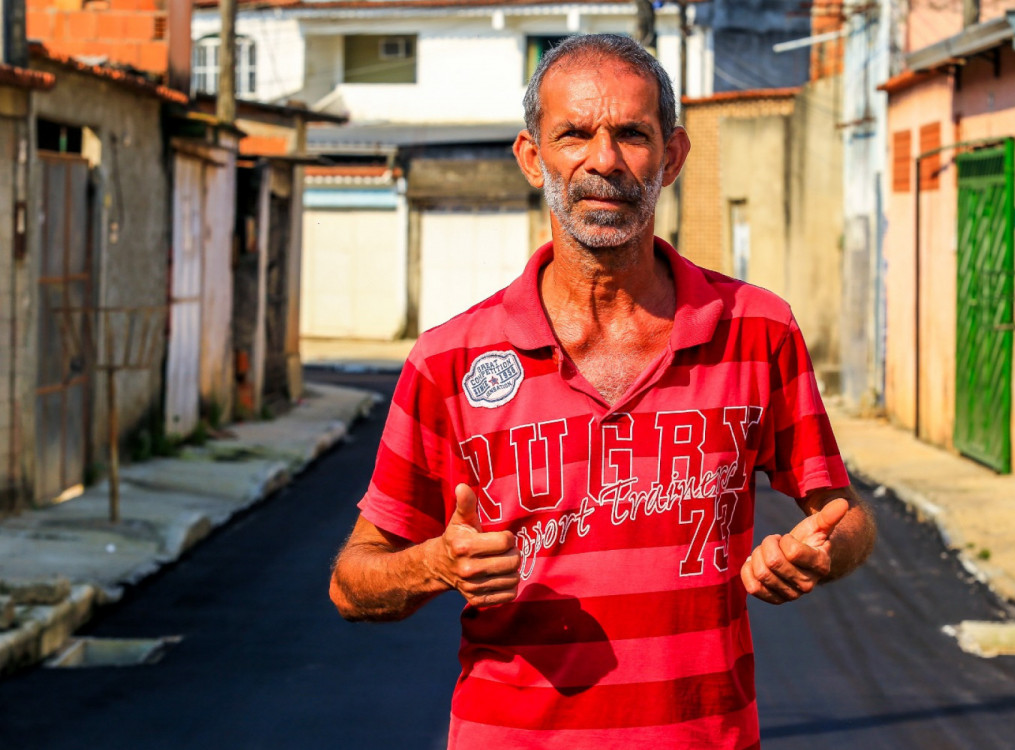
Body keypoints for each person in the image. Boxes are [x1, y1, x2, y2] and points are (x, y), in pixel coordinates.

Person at [330, 33, 876, 749]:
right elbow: (352, 582)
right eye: (574, 134)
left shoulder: (756, 328)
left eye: (631, 135)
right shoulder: (448, 361)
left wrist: (818, 553)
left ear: (672, 157)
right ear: (533, 158)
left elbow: (846, 517)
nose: (604, 160)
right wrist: (437, 562)